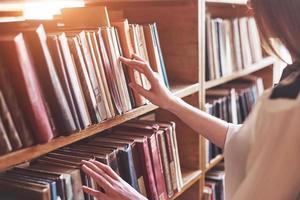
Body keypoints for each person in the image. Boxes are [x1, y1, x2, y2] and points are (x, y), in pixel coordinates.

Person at [81, 0, 300, 199]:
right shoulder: (291, 83)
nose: (249, 7)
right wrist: (170, 101)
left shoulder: (290, 102)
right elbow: (242, 138)